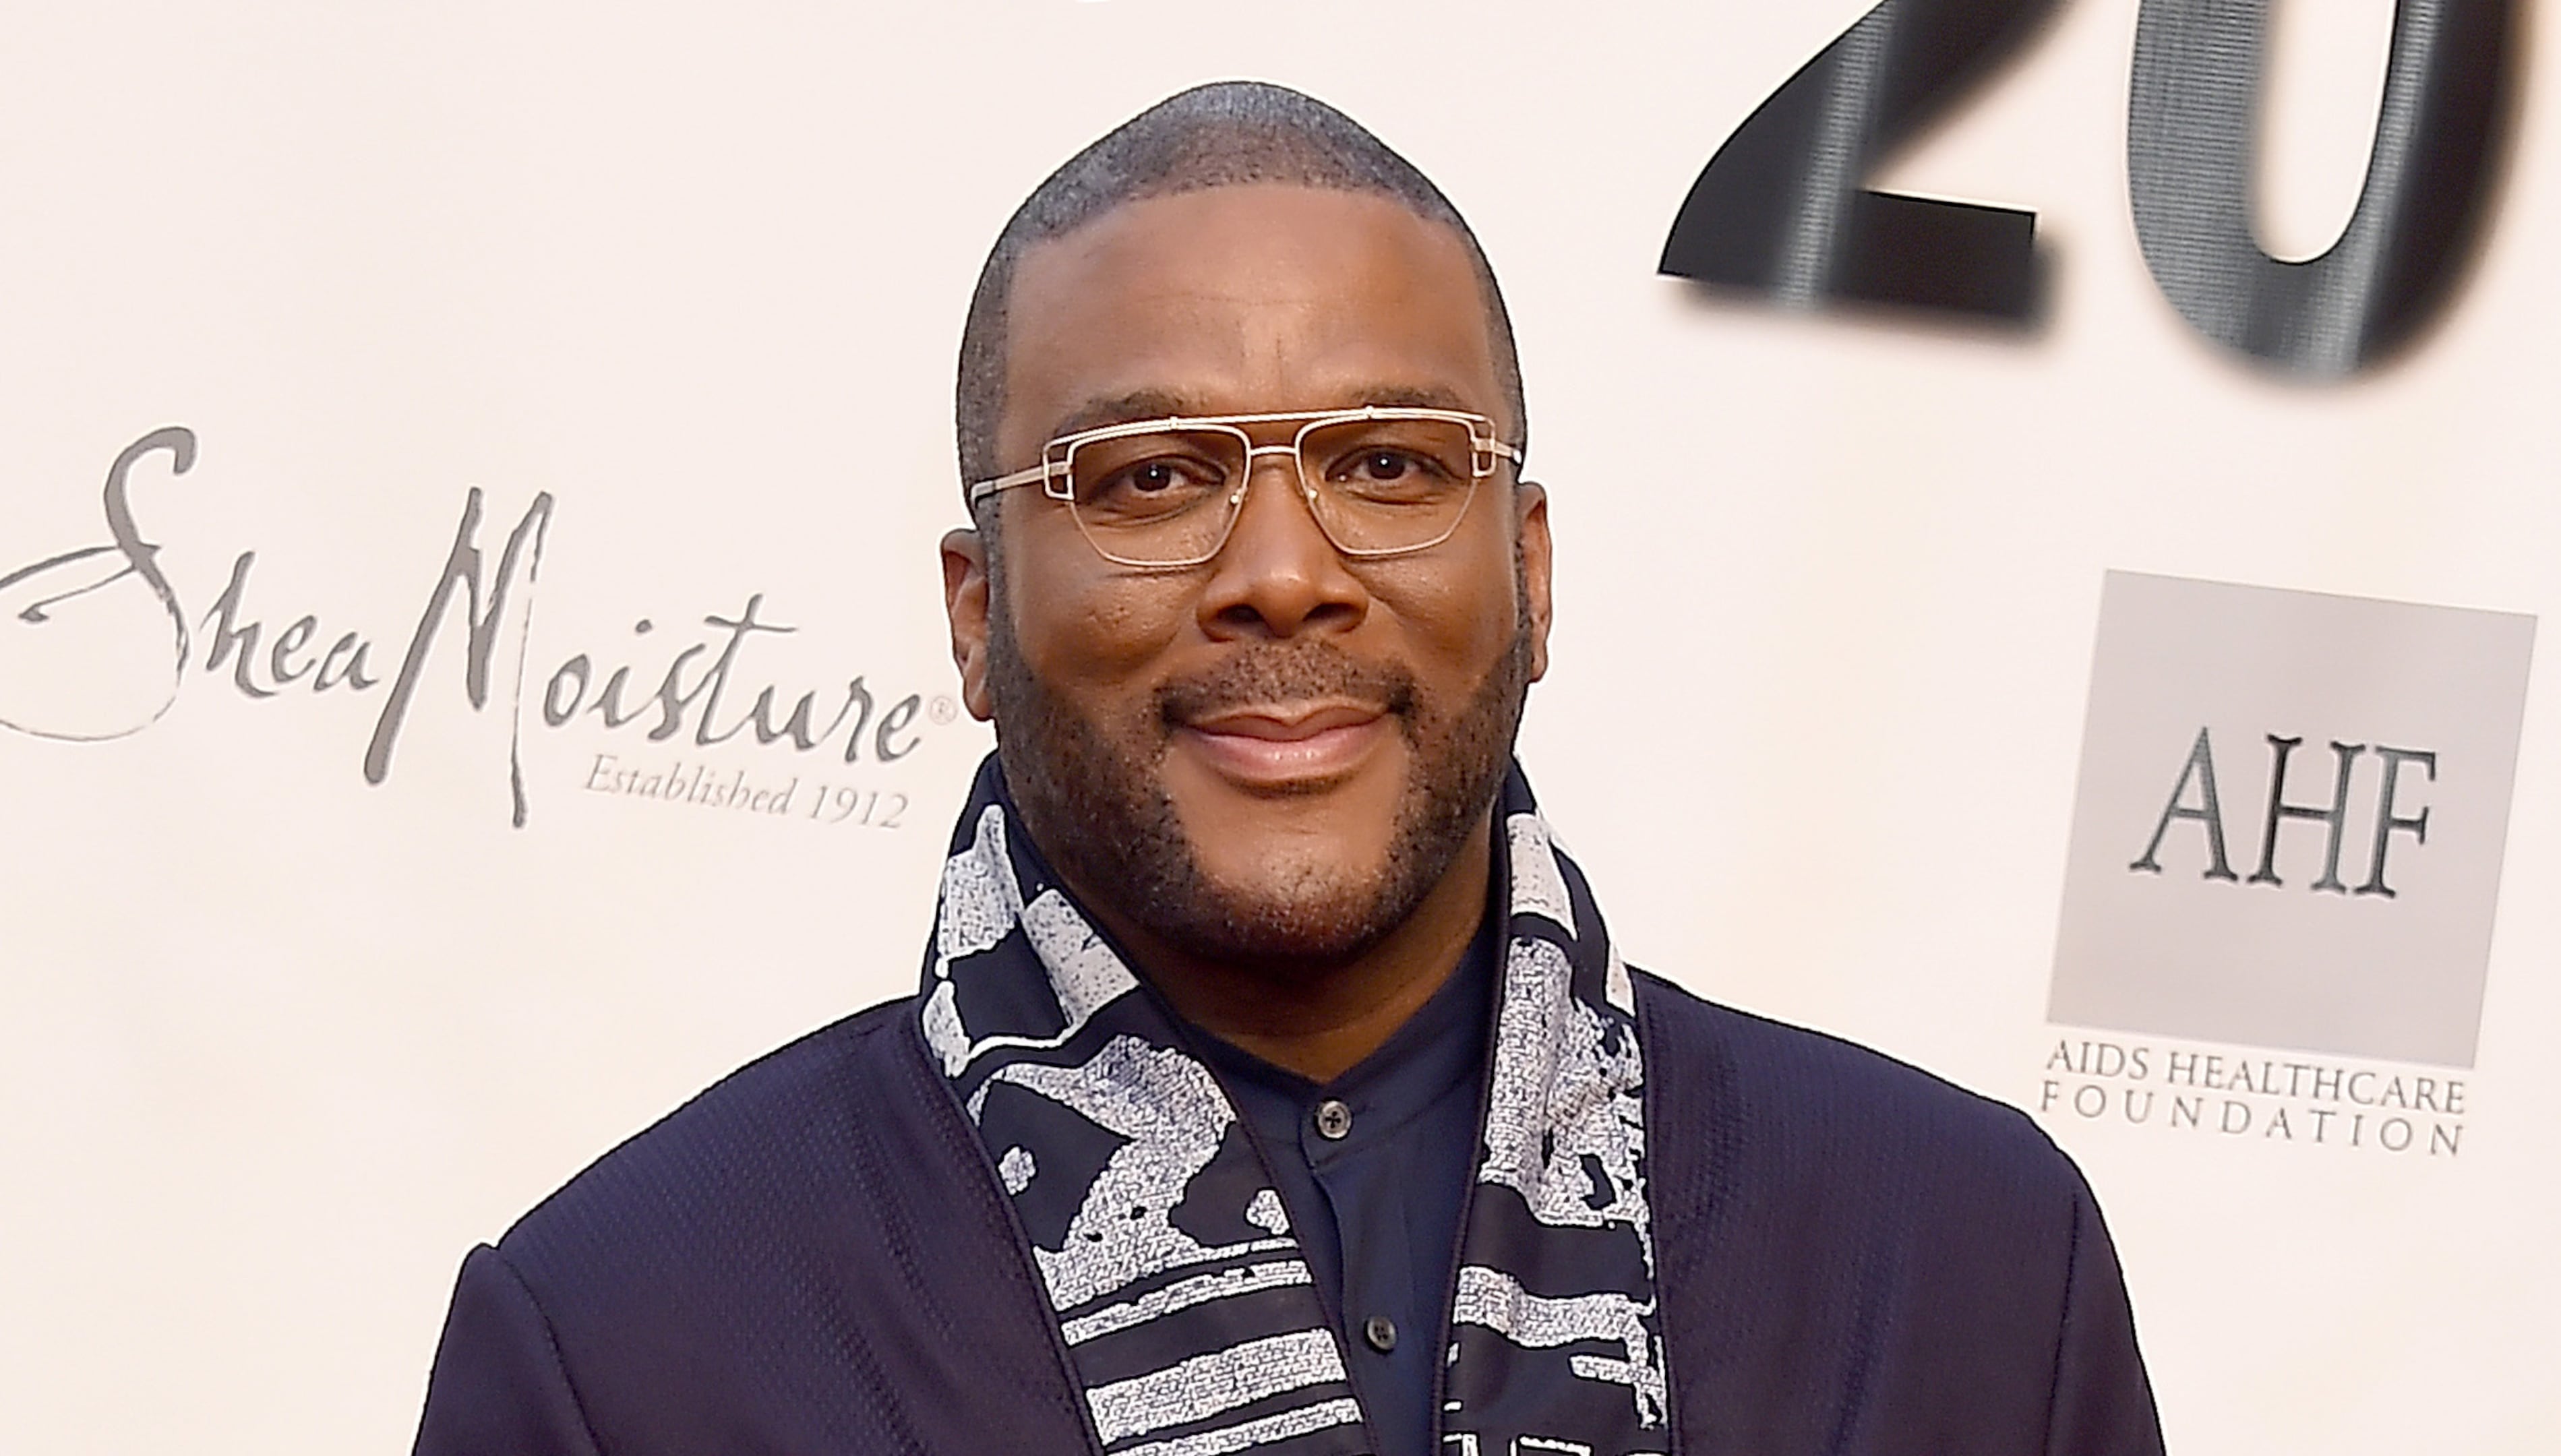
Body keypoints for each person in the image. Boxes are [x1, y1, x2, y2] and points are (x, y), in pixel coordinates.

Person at [412, 81, 2165, 1456]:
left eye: (1390, 465)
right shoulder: (625, 1344)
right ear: (977, 613)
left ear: (1532, 574)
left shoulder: (1970, 1269)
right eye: (1151, 478)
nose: (1281, 570)